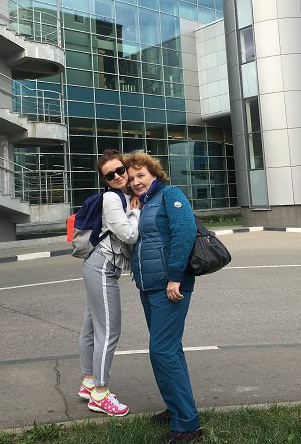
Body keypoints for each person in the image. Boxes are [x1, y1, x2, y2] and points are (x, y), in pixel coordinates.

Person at [123, 151, 203, 444]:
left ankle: (188, 425)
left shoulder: (170, 194)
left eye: (140, 175)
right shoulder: (143, 203)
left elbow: (185, 231)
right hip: (149, 286)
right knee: (170, 350)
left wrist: (175, 276)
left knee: (162, 351)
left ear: (155, 173)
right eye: (131, 179)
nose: (135, 182)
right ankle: (176, 408)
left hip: (170, 285)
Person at [78, 149, 140, 417]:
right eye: (109, 175)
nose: (117, 176)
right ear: (104, 180)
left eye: (119, 170)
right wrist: (135, 213)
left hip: (96, 265)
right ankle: (100, 394)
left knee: (92, 327)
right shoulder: (113, 199)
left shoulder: (120, 196)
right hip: (102, 268)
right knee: (109, 331)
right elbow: (128, 235)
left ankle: (88, 382)